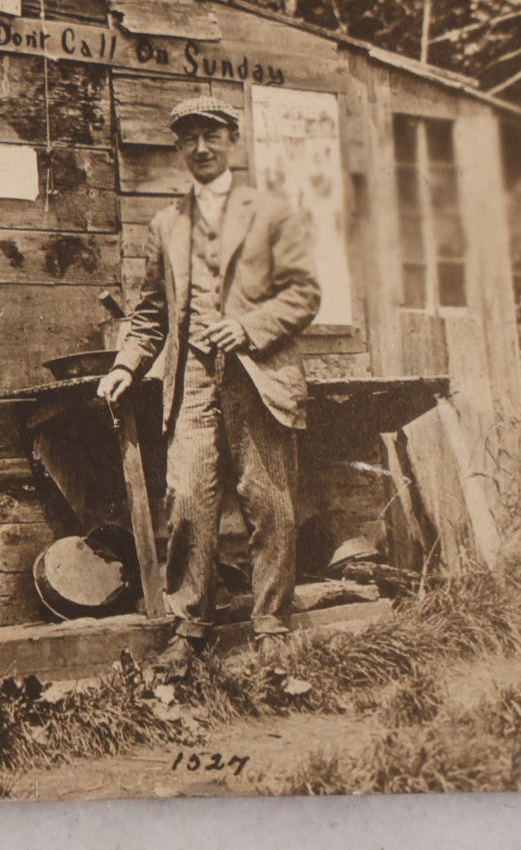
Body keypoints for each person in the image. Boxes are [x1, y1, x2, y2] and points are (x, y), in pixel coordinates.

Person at [96, 95, 320, 672]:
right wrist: (126, 365)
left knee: (268, 503)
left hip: (259, 375)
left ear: (232, 142)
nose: (201, 147)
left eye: (212, 135)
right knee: (189, 497)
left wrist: (247, 327)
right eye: (189, 137)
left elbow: (303, 293)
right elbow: (149, 315)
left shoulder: (272, 213)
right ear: (178, 148)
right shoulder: (167, 223)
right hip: (191, 378)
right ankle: (189, 629)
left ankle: (271, 627)